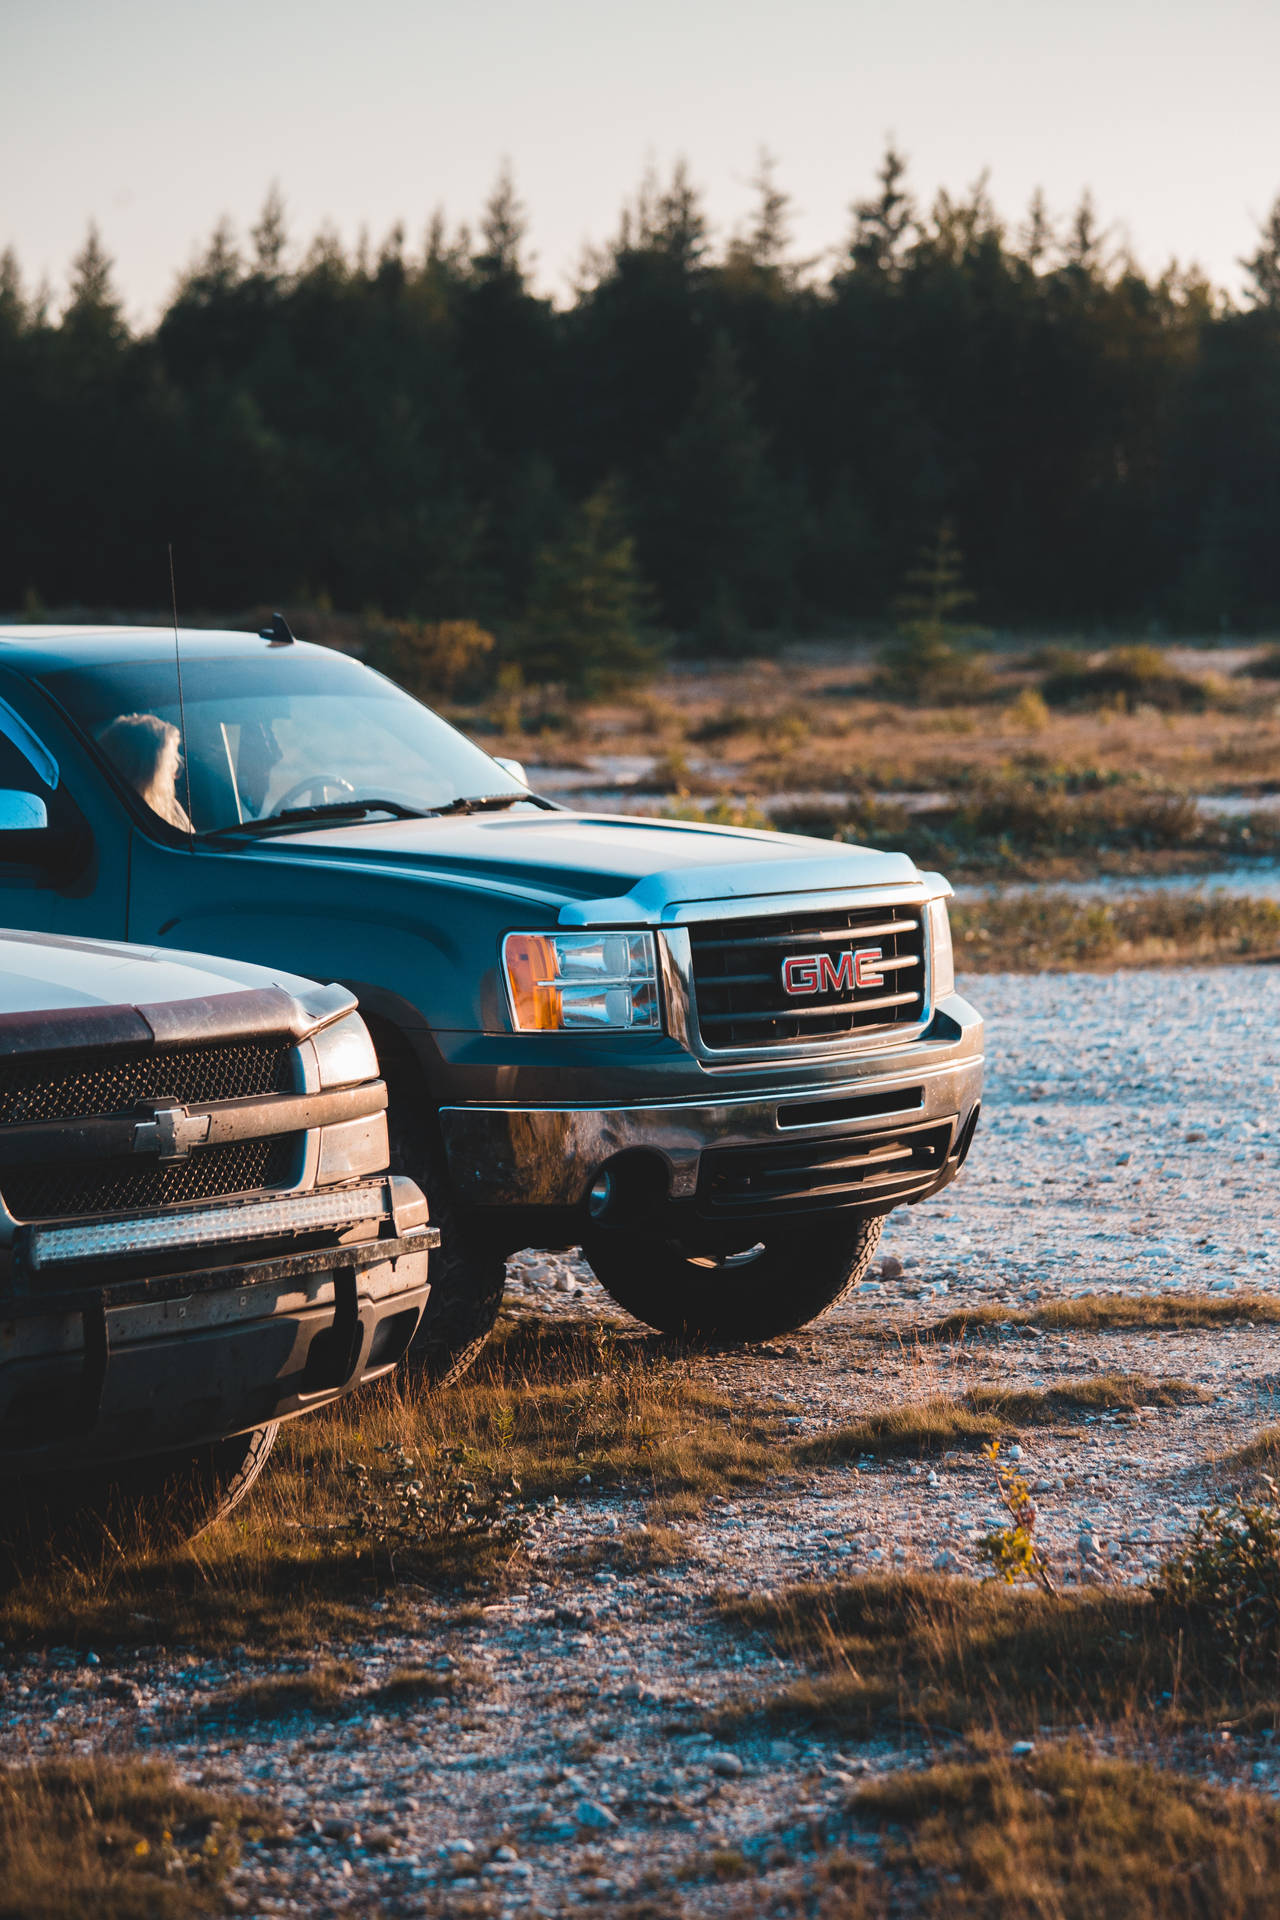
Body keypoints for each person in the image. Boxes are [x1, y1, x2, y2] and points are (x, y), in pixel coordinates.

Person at [97, 712, 193, 831]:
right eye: (168, 766)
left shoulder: (172, 809)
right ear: (146, 772)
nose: (176, 775)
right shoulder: (110, 826)